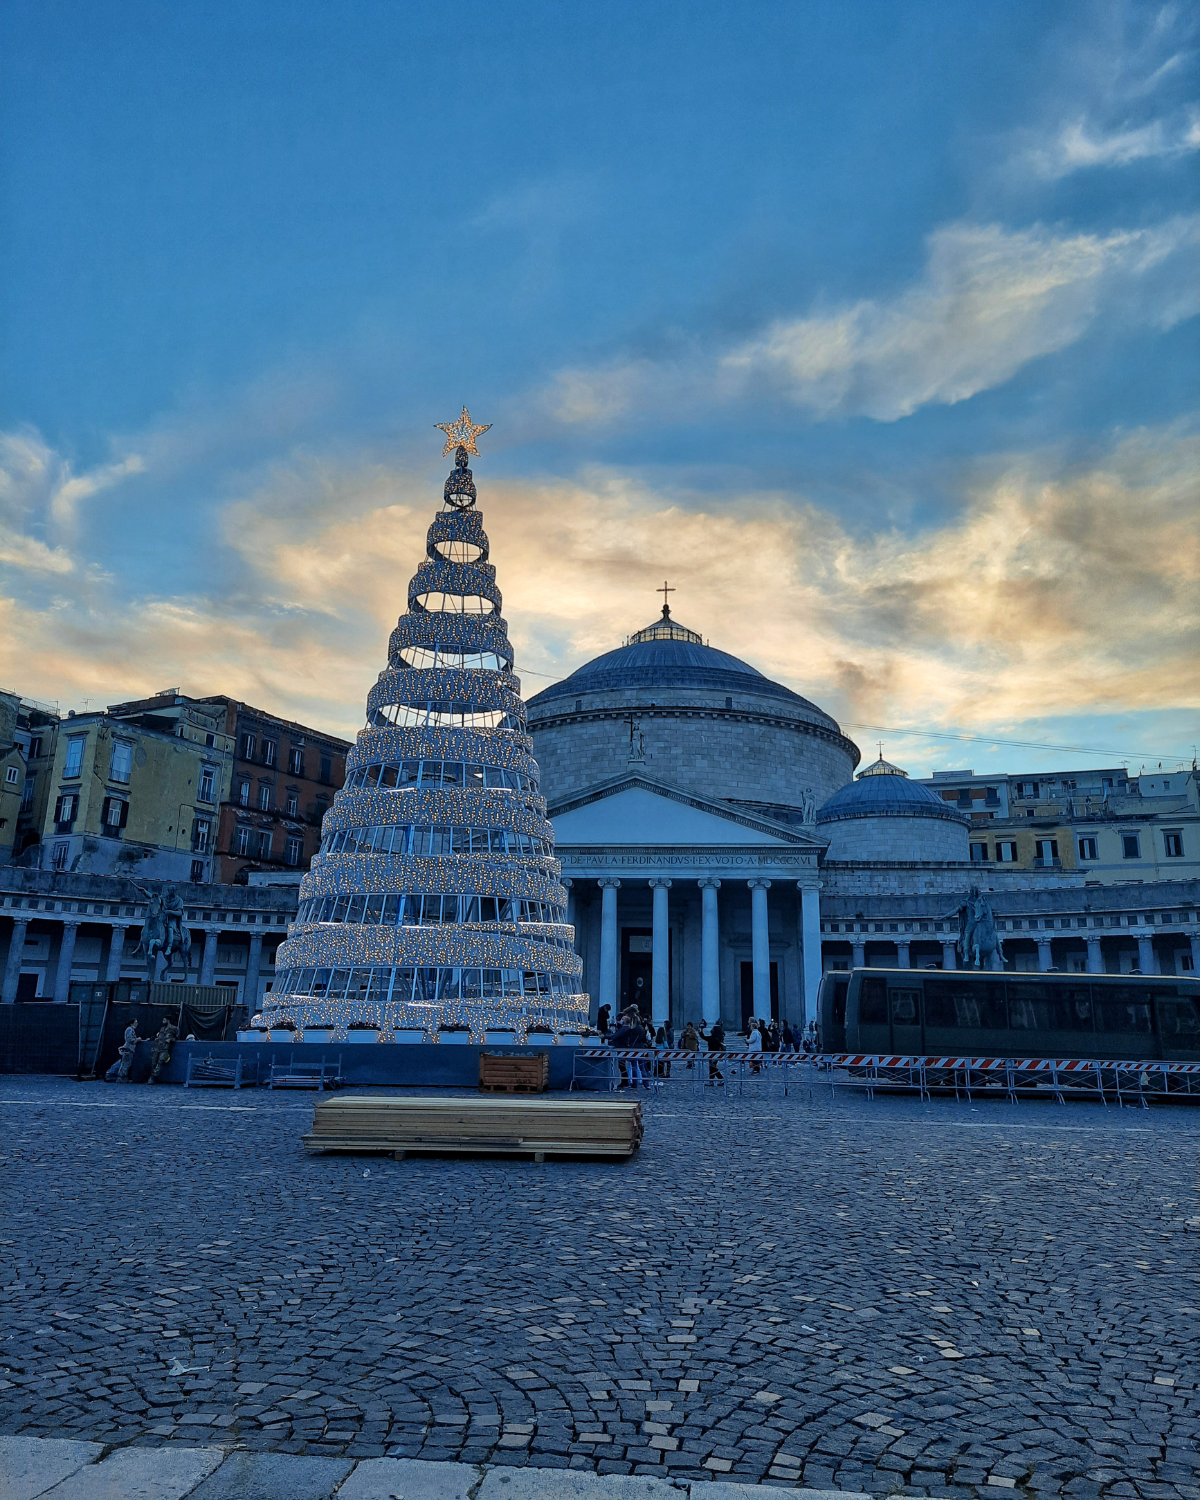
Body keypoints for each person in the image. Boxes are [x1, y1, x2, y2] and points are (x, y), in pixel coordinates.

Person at [707, 1019, 725, 1083]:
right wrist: (700, 1031)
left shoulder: (716, 1039)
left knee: (713, 1067)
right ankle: (711, 1080)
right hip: (712, 1054)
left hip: (714, 1054)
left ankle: (720, 1079)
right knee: (712, 1067)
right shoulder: (716, 1037)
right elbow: (704, 1037)